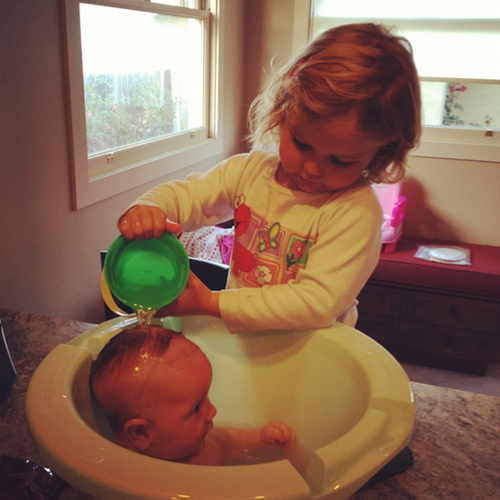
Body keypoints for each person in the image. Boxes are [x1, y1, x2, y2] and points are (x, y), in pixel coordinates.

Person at [117, 23, 421, 333]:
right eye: (302, 143)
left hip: (311, 356)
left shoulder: (354, 211)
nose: (313, 169)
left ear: (380, 152)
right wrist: (151, 208)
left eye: (341, 160)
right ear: (281, 112)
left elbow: (316, 303)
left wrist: (211, 303)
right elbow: (191, 196)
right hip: (245, 343)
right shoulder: (248, 172)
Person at [90, 325, 295, 465]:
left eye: (206, 397)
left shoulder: (194, 441)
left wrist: (259, 437)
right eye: (196, 407)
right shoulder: (137, 477)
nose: (213, 411)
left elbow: (227, 441)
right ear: (141, 433)